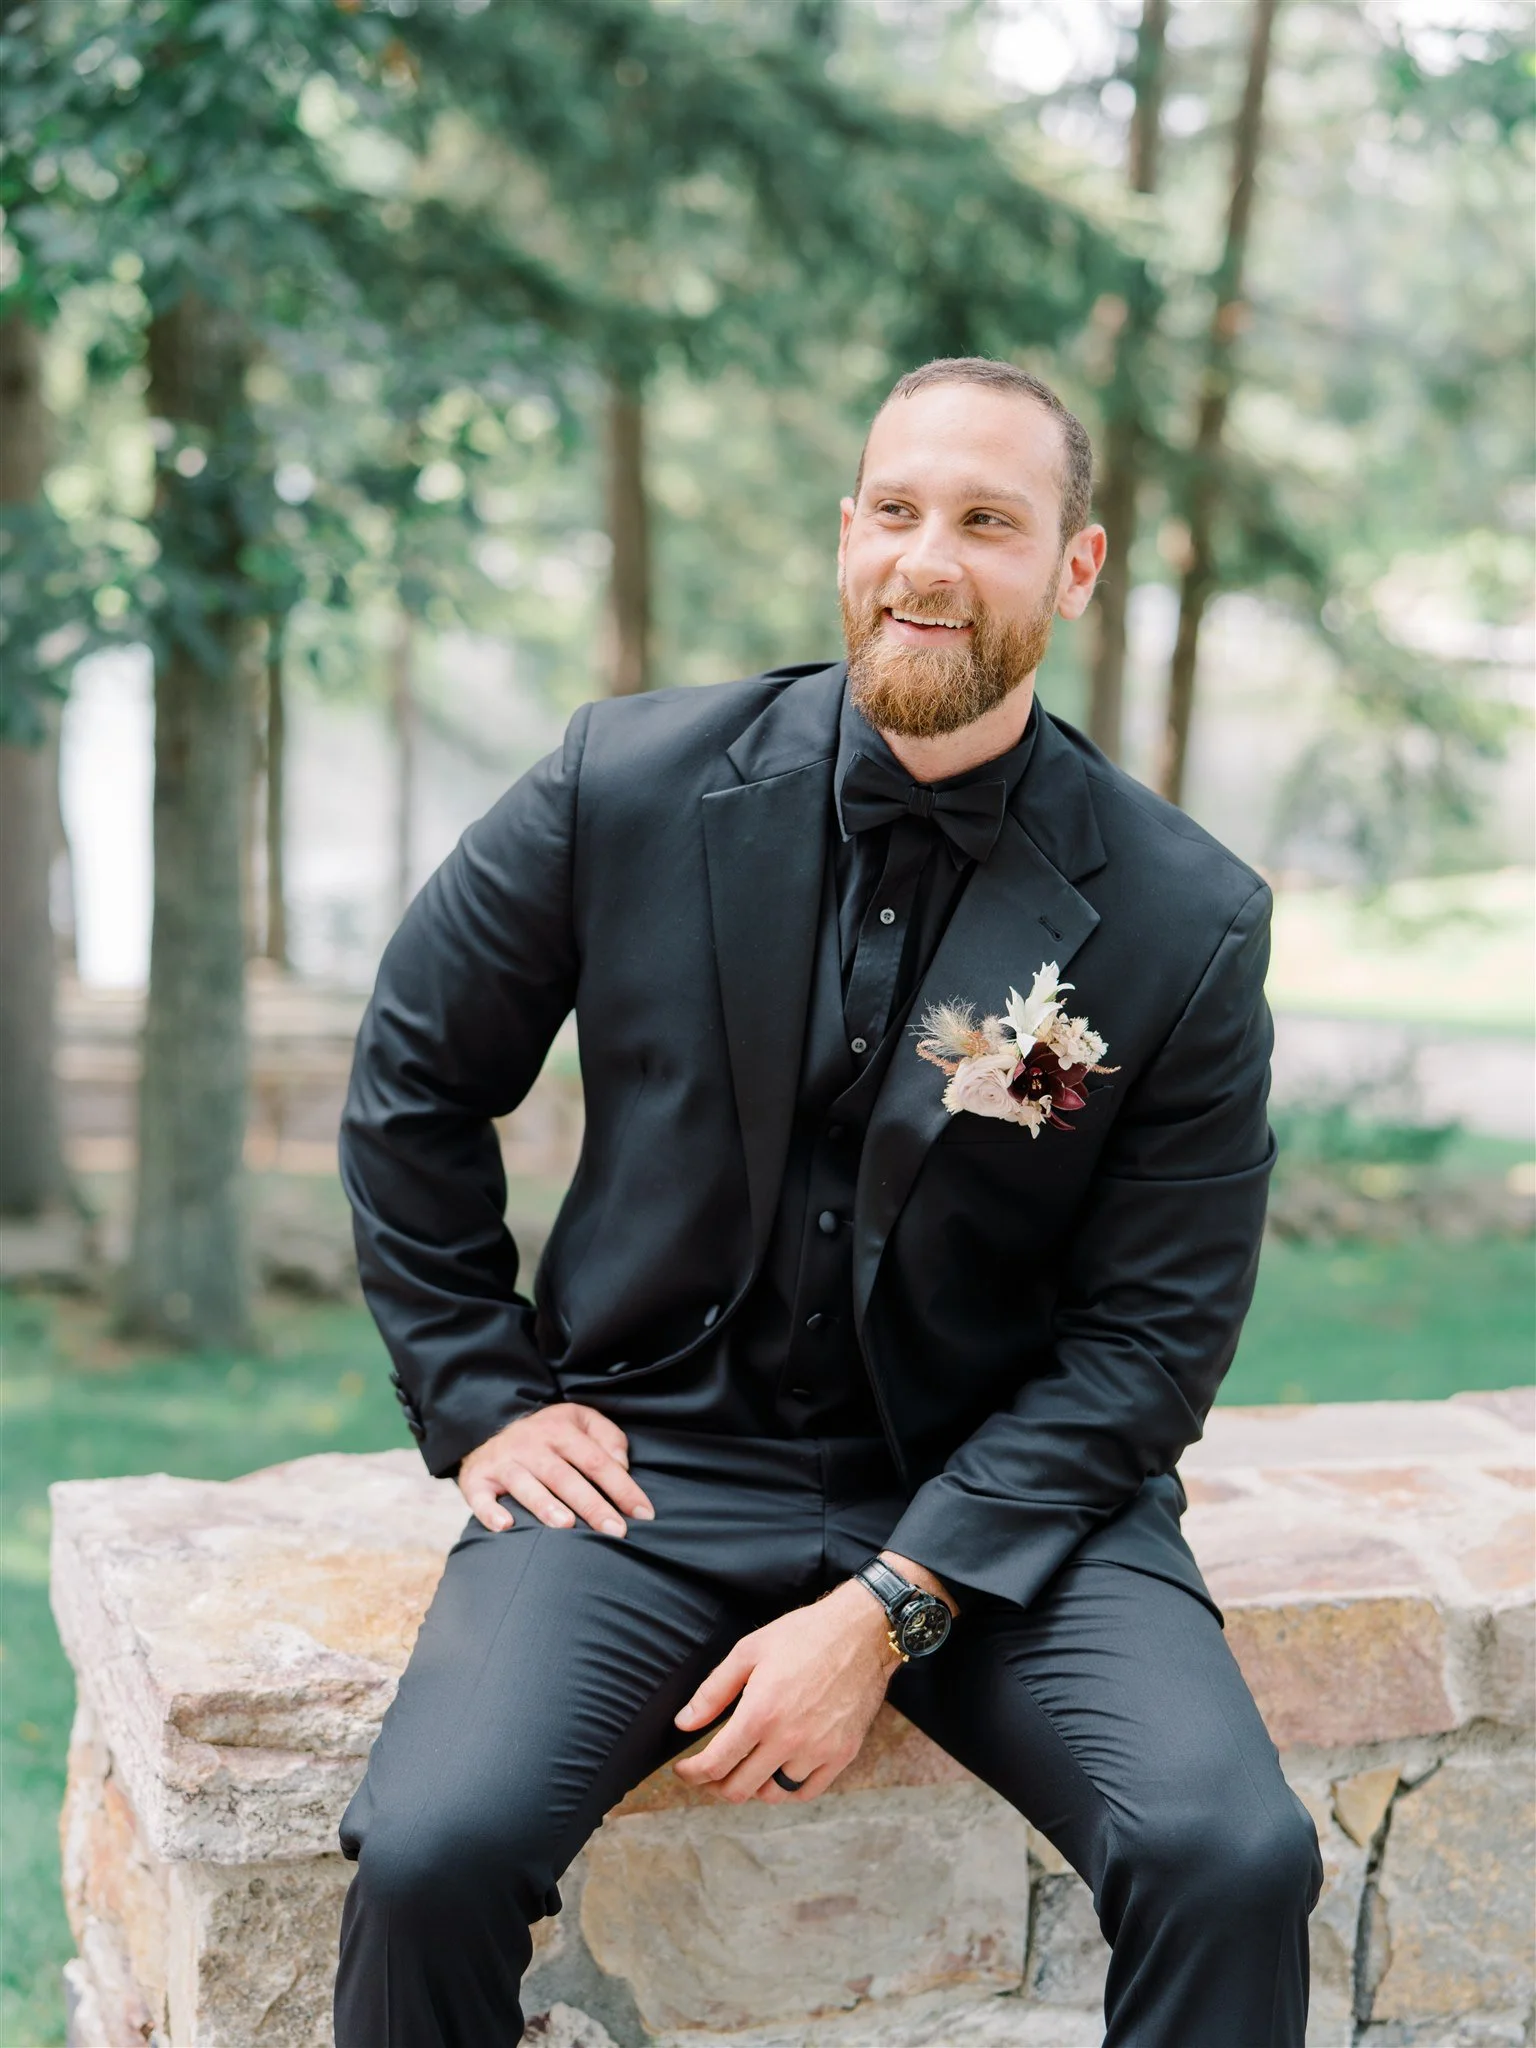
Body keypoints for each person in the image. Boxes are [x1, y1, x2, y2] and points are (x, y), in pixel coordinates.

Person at [334, 356, 1322, 2048]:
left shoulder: (1186, 917)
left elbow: (1152, 1345)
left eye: (989, 522)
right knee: (430, 1853)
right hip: (643, 1477)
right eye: (896, 510)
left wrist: (891, 1608)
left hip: (1007, 1505)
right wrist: (482, 1394)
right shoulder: (619, 782)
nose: (928, 561)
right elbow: (414, 1079)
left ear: (1073, 572)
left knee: (1232, 1856)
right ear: (846, 533)